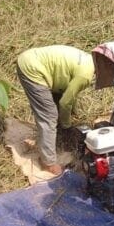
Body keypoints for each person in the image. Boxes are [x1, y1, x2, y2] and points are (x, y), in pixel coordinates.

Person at [16, 45, 95, 176]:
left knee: (56, 106)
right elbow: (65, 102)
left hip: (33, 60)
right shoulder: (86, 76)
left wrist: (71, 114)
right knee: (49, 116)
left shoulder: (89, 61)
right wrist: (67, 125)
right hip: (32, 69)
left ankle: (55, 138)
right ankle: (48, 162)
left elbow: (69, 94)